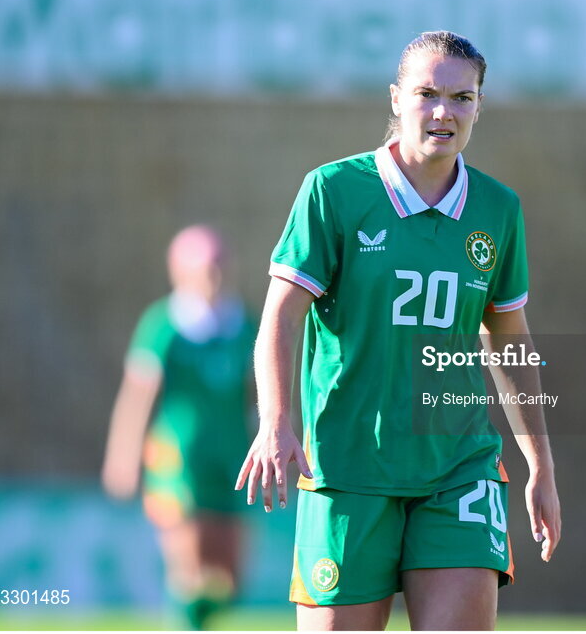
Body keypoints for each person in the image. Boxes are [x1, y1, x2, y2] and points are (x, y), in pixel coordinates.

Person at [235, 31, 561, 631]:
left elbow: (509, 338)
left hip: (459, 467)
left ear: (479, 106)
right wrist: (278, 422)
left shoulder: (498, 208)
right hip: (348, 469)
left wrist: (539, 463)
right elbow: (281, 315)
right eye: (427, 93)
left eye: (462, 98)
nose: (444, 112)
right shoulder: (334, 191)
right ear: (396, 98)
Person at [102, 225, 257, 630]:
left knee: (230, 580)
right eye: (206, 265)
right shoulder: (164, 325)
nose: (215, 273)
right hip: (178, 459)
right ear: (181, 271)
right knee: (189, 568)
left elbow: (259, 397)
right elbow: (137, 397)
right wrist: (123, 456)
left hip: (232, 459)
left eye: (221, 263)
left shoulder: (244, 326)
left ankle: (199, 622)